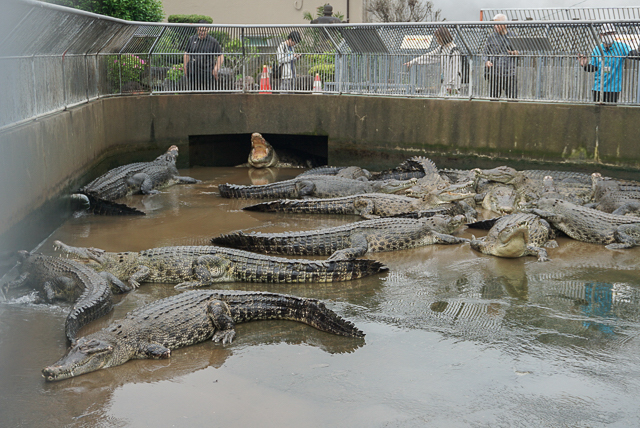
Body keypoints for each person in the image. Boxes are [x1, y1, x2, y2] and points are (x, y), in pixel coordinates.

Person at [579, 23, 640, 103]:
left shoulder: (621, 47)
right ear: (601, 35)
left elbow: (633, 55)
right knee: (597, 112)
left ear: (614, 34)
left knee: (611, 112)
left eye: (610, 33)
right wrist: (585, 65)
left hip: (613, 89)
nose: (608, 35)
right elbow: (593, 67)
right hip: (598, 88)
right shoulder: (597, 49)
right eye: (605, 34)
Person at [404, 27, 462, 96]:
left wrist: (450, 85)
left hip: (453, 86)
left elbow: (455, 70)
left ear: (443, 37)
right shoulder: (442, 48)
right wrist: (413, 62)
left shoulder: (454, 51)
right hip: (445, 84)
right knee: (441, 102)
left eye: (438, 38)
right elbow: (429, 56)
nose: (437, 40)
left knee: (451, 102)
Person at [483, 14, 519, 99]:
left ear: (505, 24)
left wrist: (515, 53)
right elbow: (485, 53)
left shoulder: (513, 36)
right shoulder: (491, 37)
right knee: (493, 99)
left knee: (512, 99)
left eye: (498, 24)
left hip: (510, 73)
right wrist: (486, 61)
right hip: (495, 73)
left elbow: (520, 51)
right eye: (495, 24)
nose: (496, 26)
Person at [183, 20, 224, 90]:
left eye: (204, 31)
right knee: (193, 90)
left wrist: (216, 69)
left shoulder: (213, 41)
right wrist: (185, 67)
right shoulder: (192, 39)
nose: (202, 32)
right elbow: (186, 54)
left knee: (208, 91)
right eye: (200, 30)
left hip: (208, 71)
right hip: (194, 71)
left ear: (208, 30)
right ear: (197, 29)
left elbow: (220, 56)